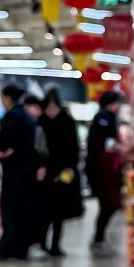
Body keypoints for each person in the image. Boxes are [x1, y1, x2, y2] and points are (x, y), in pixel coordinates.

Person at [0, 91, 47, 261]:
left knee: (10, 212)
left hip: (14, 172)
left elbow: (3, 144)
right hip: (28, 172)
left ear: (7, 97)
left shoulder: (11, 117)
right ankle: (21, 248)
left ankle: (8, 249)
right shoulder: (26, 119)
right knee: (24, 211)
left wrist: (3, 152)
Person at [39, 89, 84, 257]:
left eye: (54, 108)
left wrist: (70, 167)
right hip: (46, 174)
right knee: (44, 213)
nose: (51, 112)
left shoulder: (67, 122)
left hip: (63, 173)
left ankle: (55, 245)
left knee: (59, 214)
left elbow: (74, 148)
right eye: (48, 108)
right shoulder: (41, 122)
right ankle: (42, 244)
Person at [84, 90, 128, 256]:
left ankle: (99, 238)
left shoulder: (105, 117)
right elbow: (107, 143)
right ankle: (98, 238)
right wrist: (125, 150)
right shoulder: (103, 118)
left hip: (105, 170)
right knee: (109, 203)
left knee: (108, 204)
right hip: (103, 170)